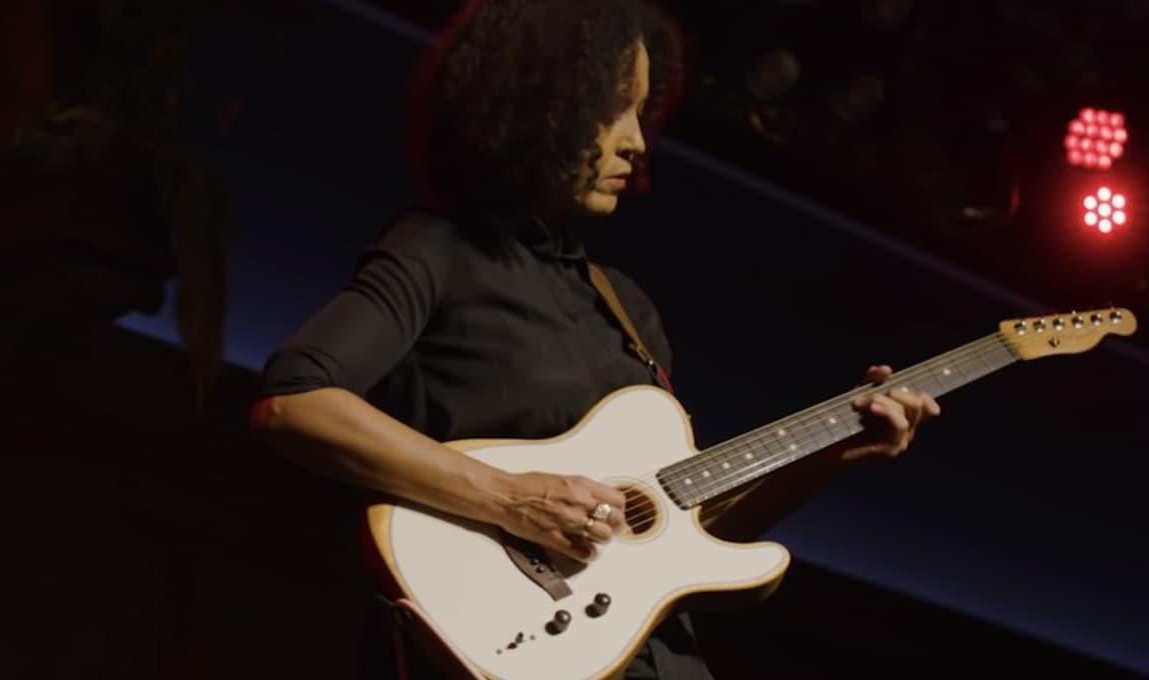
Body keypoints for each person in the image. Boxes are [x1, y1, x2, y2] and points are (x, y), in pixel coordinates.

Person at [247, 1, 941, 677]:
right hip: (505, 648)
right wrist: (511, 498)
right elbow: (294, 402)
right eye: (617, 107)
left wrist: (829, 457)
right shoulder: (439, 249)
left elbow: (685, 536)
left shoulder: (625, 307)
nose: (638, 141)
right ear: (538, 101)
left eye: (642, 112)